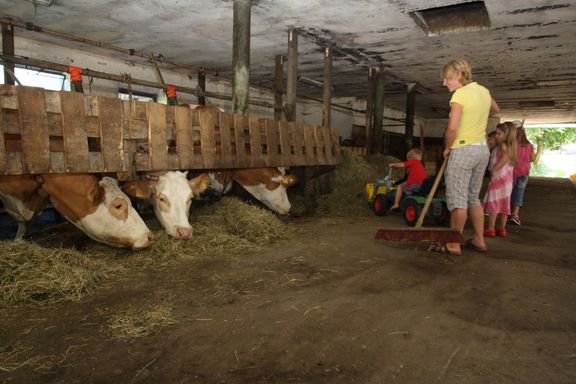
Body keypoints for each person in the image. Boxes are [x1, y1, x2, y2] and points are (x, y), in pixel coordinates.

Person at [430, 58, 500, 255]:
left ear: (460, 75)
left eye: (447, 78)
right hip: (481, 150)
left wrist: (447, 148)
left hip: (463, 150)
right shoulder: (483, 91)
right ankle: (479, 240)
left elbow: (451, 130)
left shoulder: (460, 95)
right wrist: (478, 115)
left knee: (458, 200)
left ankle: (453, 243)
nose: (444, 83)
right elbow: (496, 108)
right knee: (473, 198)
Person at [482, 122, 518, 237]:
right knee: (504, 204)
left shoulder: (502, 146)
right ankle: (502, 229)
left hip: (498, 179)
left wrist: (493, 169)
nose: (496, 135)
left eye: (499, 133)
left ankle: (490, 229)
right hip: (507, 181)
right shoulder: (513, 146)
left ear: (506, 135)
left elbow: (504, 158)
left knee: (494, 203)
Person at [509, 122, 534, 225]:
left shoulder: (512, 144)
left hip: (513, 171)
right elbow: (531, 159)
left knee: (509, 192)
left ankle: (504, 213)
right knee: (519, 192)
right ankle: (515, 215)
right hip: (525, 172)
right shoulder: (529, 145)